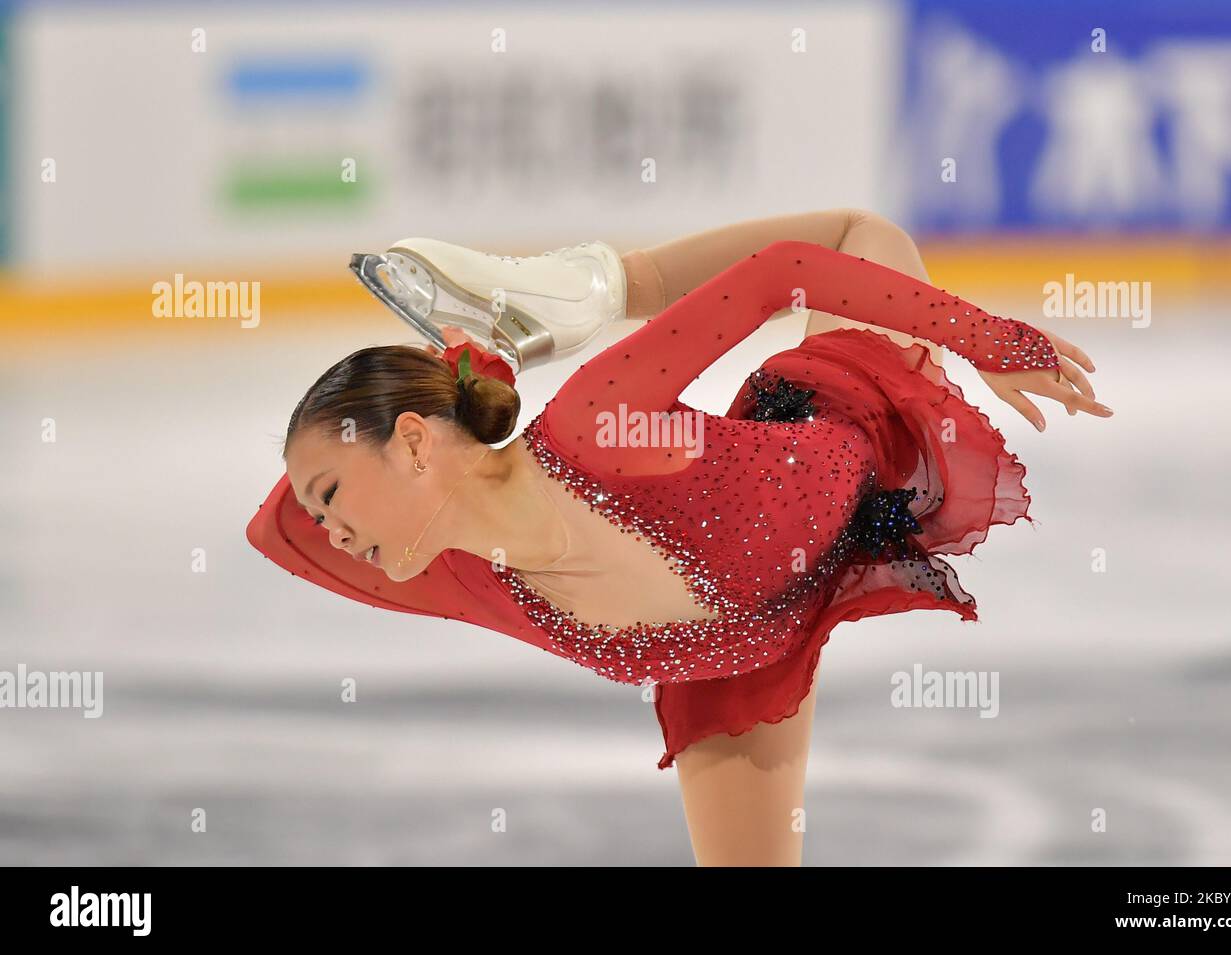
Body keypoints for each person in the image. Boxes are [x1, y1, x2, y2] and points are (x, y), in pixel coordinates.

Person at [246, 208, 1110, 865]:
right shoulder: (462, 573)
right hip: (736, 663)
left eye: (329, 494)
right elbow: (273, 529)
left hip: (849, 435)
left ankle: (598, 284)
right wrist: (472, 370)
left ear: (413, 440)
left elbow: (785, 274)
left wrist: (988, 337)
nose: (329, 527)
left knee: (861, 230)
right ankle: (582, 290)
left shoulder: (594, 429)